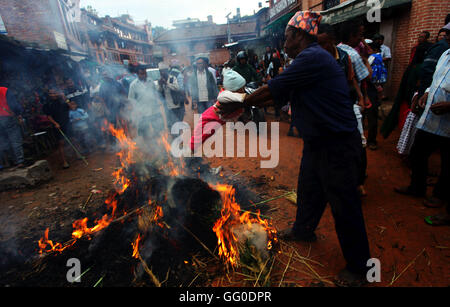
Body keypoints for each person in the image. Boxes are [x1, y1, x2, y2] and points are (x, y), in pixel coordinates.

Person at [217, 11, 371, 286]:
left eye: (286, 36)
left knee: (344, 204)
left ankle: (360, 268)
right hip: (317, 142)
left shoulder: (312, 57)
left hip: (336, 144)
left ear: (299, 35)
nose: (282, 42)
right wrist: (246, 101)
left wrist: (238, 102)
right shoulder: (308, 59)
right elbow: (276, 94)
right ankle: (303, 230)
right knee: (309, 188)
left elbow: (269, 92)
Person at [395, 44, 450, 214]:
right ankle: (417, 187)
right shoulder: (445, 54)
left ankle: (440, 195)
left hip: (448, 122)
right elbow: (436, 79)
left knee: (447, 162)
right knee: (418, 152)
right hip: (431, 117)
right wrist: (426, 93)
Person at [190, 69, 247, 152]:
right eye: (240, 89)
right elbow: (240, 98)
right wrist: (245, 97)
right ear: (231, 90)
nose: (243, 90)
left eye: (243, 87)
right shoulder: (224, 95)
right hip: (211, 118)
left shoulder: (237, 93)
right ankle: (189, 154)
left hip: (222, 118)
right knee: (199, 137)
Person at [128, 65, 164, 139]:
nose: (144, 75)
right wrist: (136, 111)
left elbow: (155, 93)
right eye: (142, 74)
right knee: (144, 132)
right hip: (142, 113)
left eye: (145, 73)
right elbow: (131, 100)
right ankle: (148, 146)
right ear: (137, 74)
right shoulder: (133, 85)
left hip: (154, 110)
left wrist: (158, 103)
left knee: (158, 130)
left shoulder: (150, 81)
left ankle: (159, 144)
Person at [43, 87, 71, 169]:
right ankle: (64, 161)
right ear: (48, 95)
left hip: (67, 123)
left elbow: (70, 106)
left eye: (54, 93)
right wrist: (55, 123)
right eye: (51, 93)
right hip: (58, 125)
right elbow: (49, 116)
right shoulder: (48, 104)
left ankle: (77, 155)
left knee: (72, 139)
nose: (53, 95)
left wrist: (64, 97)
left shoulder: (62, 101)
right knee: (61, 143)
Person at [0, 86, 25, 168]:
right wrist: (19, 114)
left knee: (4, 141)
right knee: (15, 140)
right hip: (8, 117)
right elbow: (13, 105)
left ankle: (11, 161)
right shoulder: (4, 90)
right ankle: (20, 161)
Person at [156, 63, 184, 129]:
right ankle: (172, 136)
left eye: (163, 71)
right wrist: (160, 85)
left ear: (167, 71)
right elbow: (158, 92)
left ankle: (177, 136)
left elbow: (177, 88)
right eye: (160, 71)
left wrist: (166, 83)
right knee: (169, 123)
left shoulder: (172, 78)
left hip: (175, 104)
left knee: (176, 122)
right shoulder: (160, 80)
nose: (162, 73)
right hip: (167, 106)